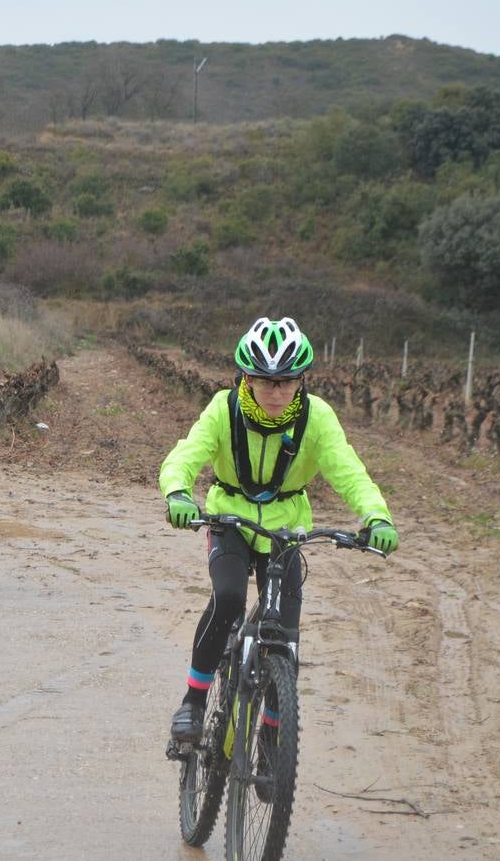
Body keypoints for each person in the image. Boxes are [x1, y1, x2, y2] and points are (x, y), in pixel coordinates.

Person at [159, 317, 399, 743]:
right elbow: (187, 454)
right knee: (229, 598)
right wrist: (178, 492)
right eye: (265, 381)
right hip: (230, 519)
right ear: (246, 378)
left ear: (301, 380)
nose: (276, 392)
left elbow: (348, 471)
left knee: (285, 634)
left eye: (286, 382)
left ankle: (272, 735)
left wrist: (376, 516)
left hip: (286, 528)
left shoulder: (316, 417)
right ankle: (193, 701)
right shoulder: (224, 408)